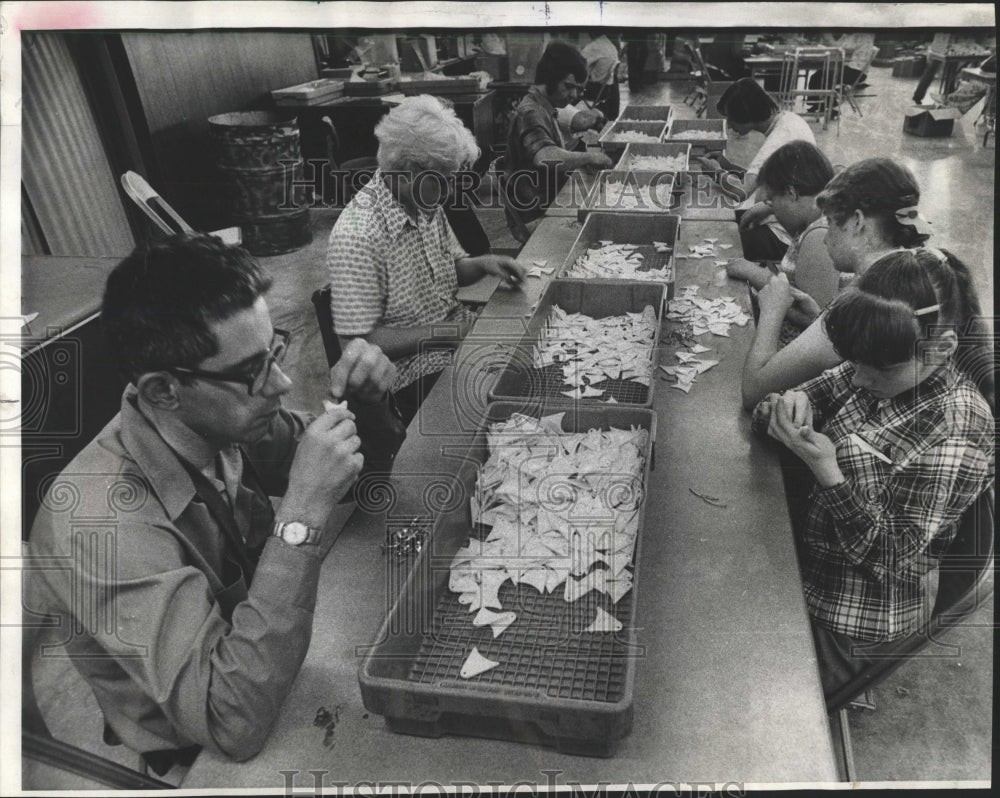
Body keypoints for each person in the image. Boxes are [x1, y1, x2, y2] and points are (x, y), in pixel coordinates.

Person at [25, 234, 398, 771]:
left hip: (258, 649)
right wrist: (300, 518)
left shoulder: (222, 416)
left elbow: (365, 483)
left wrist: (368, 407)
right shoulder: (97, 524)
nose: (284, 382)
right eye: (252, 370)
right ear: (162, 391)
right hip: (201, 745)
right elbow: (232, 720)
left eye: (274, 351)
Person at [750, 249, 995, 698]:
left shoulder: (957, 428)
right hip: (805, 563)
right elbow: (786, 400)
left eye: (875, 369)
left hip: (850, 618)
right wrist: (784, 407)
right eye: (853, 362)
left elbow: (892, 556)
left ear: (941, 349)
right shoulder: (881, 359)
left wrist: (828, 470)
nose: (857, 379)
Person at [327, 95, 526, 425]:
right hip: (410, 376)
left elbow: (451, 272)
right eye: (445, 180)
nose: (451, 191)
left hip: (455, 339)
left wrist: (484, 264)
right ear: (407, 170)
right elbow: (358, 344)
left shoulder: (425, 204)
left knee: (532, 355)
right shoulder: (357, 234)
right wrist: (446, 331)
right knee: (509, 408)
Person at [741, 157, 952, 410]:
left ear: (857, 221)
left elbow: (753, 391)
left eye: (830, 223)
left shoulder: (869, 297)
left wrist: (772, 311)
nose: (825, 239)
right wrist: (815, 319)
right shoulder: (918, 273)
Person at [725, 140, 839, 338]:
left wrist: (753, 273)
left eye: (772, 202)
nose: (774, 211)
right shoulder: (813, 222)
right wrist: (768, 206)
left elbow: (813, 320)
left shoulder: (819, 236)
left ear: (791, 193)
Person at [503, 41, 613, 242]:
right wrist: (589, 156)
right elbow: (545, 157)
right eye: (569, 87)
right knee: (607, 228)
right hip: (536, 213)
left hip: (549, 199)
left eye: (578, 89)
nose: (574, 95)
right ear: (549, 79)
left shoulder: (544, 107)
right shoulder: (531, 112)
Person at [697, 77, 815, 262]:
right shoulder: (789, 120)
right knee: (728, 218)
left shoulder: (780, 139)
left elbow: (741, 192)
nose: (729, 125)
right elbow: (764, 177)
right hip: (784, 214)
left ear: (745, 114)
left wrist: (717, 173)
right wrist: (728, 166)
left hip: (783, 235)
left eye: (731, 118)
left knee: (718, 240)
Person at [806, 32, 878, 112]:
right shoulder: (860, 35)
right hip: (857, 70)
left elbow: (840, 46)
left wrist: (828, 39)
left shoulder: (862, 35)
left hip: (855, 72)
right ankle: (821, 103)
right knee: (821, 74)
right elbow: (842, 46)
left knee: (821, 76)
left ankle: (826, 104)